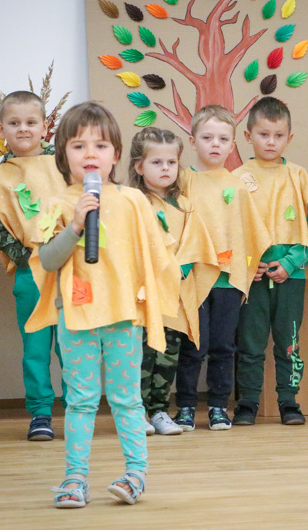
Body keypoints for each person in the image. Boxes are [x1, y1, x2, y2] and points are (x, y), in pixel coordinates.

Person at [25, 102, 179, 508]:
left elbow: (154, 257)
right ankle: (75, 478)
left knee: (127, 398)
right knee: (80, 400)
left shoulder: (133, 201)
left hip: (123, 315)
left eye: (101, 145)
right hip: (75, 316)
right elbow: (47, 260)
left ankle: (135, 474)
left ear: (115, 154)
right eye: (78, 146)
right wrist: (76, 225)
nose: (90, 154)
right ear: (63, 155)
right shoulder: (58, 204)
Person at [174, 105, 271, 431]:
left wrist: (251, 263)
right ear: (192, 140)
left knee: (224, 347)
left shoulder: (238, 186)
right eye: (207, 137)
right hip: (194, 276)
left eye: (223, 139)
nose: (215, 144)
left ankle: (218, 406)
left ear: (232, 144)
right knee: (192, 346)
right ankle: (185, 406)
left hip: (228, 279)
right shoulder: (182, 181)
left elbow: (249, 231)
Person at [0, 90, 67, 441]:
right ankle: (41, 412)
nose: (23, 129)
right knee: (35, 347)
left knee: (71, 342)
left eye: (31, 122)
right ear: (1, 129)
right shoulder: (0, 178)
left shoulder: (63, 163)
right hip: (31, 272)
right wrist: (31, 258)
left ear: (45, 127)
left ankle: (79, 406)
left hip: (68, 269)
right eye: (14, 123)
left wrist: (64, 252)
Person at [230, 97, 308, 426]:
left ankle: (288, 401)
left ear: (289, 138)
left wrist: (291, 262)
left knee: (289, 341)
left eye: (278, 135)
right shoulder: (237, 178)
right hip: (252, 276)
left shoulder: (298, 177)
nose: (271, 142)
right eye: (264, 134)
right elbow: (231, 229)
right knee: (250, 342)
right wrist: (247, 264)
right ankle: (247, 402)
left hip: (289, 276)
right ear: (248, 136)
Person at [128, 127, 219, 436]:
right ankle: (136, 410)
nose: (165, 168)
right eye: (156, 163)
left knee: (168, 354)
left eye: (171, 162)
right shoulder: (133, 204)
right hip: (145, 293)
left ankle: (158, 410)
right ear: (139, 166)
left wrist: (181, 266)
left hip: (176, 294)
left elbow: (196, 244)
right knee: (144, 354)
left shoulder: (186, 206)